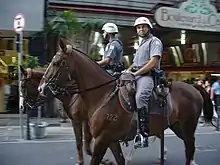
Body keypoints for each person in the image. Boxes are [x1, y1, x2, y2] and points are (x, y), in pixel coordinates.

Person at [127, 17, 163, 147]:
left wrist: (136, 73)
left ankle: (143, 134)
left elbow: (153, 62)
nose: (141, 29)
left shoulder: (155, 42)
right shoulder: (141, 44)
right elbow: (135, 63)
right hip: (136, 75)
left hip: (147, 77)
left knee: (140, 97)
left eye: (143, 26)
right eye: (138, 27)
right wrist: (127, 71)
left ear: (148, 28)